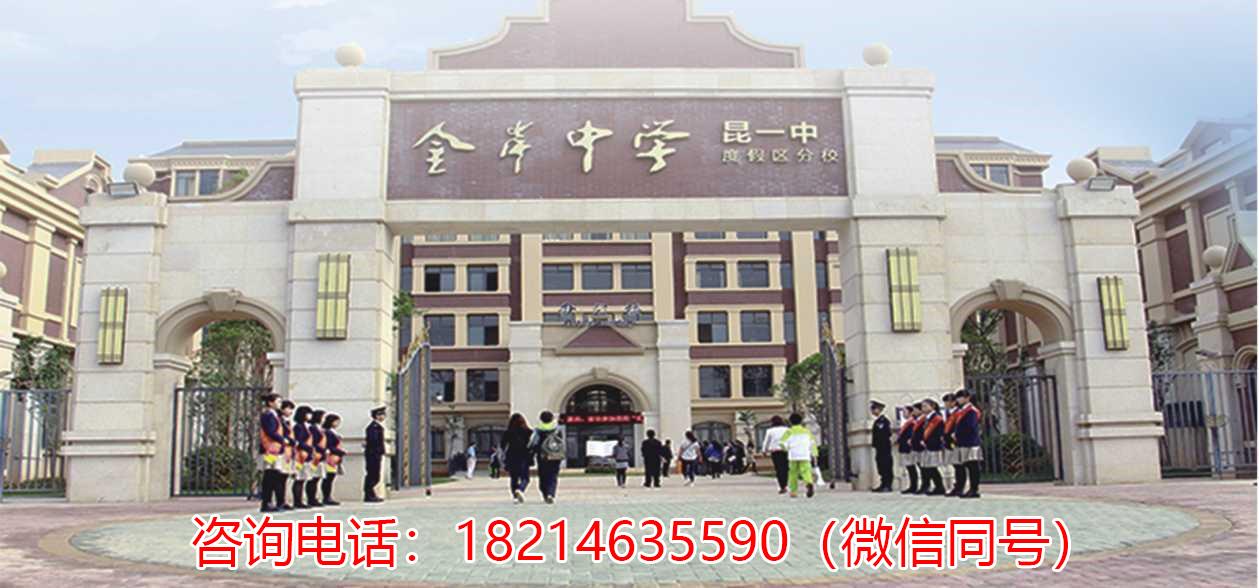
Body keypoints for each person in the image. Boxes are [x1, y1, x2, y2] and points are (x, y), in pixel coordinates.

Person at [256, 393, 286, 512]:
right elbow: (270, 431)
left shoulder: (275, 415)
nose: (280, 404)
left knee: (274, 476)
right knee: (269, 476)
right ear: (270, 403)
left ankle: (269, 501)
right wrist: (282, 439)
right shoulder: (268, 415)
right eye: (278, 402)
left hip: (275, 449)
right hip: (269, 448)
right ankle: (266, 502)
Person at [528, 410, 564, 504]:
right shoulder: (557, 429)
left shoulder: (538, 430)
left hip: (542, 456)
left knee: (543, 475)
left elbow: (533, 442)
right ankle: (551, 494)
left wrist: (531, 450)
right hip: (555, 455)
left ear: (541, 419)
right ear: (552, 418)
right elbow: (561, 442)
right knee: (553, 475)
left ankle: (545, 493)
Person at [953, 389, 983, 499]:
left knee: (972, 466)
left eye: (960, 397)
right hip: (963, 442)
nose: (958, 400)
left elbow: (970, 426)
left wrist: (958, 433)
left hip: (970, 442)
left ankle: (974, 489)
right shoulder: (962, 410)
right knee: (964, 466)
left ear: (967, 398)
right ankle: (962, 487)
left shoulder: (971, 411)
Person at [781, 413, 818, 498]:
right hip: (805, 454)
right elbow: (812, 443)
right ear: (801, 421)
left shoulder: (789, 432)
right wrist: (814, 454)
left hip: (793, 455)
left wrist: (786, 449)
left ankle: (793, 491)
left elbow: (782, 443)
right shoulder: (807, 432)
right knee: (806, 471)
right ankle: (809, 482)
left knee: (793, 473)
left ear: (790, 422)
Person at [500, 413, 533, 503]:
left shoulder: (508, 432)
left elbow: (502, 445)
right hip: (524, 456)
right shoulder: (528, 432)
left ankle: (515, 496)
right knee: (525, 478)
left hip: (511, 456)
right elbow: (532, 444)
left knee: (514, 478)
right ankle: (520, 489)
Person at [919, 399, 946, 496]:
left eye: (925, 406)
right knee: (927, 467)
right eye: (922, 406)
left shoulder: (937, 418)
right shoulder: (926, 418)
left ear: (932, 406)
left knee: (933, 468)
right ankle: (934, 486)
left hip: (933, 446)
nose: (923, 408)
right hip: (926, 446)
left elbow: (938, 434)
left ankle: (940, 487)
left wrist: (929, 442)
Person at [942, 392, 966, 497]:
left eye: (947, 402)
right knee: (956, 465)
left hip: (956, 441)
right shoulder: (948, 413)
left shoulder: (958, 412)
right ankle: (957, 486)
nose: (946, 404)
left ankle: (960, 487)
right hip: (949, 441)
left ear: (953, 402)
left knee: (959, 466)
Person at [761, 415, 790, 494]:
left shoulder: (770, 431)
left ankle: (782, 486)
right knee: (785, 468)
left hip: (775, 451)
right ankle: (785, 484)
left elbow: (766, 441)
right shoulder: (787, 430)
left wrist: (764, 451)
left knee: (778, 469)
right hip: (785, 451)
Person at [321, 413, 345, 506]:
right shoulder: (327, 432)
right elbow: (329, 445)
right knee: (328, 478)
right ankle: (326, 497)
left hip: (335, 457)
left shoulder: (334, 432)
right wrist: (339, 451)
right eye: (336, 421)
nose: (337, 423)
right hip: (330, 457)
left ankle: (328, 496)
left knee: (331, 477)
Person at [291, 405, 313, 508]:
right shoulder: (298, 427)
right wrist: (308, 448)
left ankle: (299, 500)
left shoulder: (306, 426)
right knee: (299, 478)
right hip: (300, 455)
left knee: (303, 478)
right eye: (308, 413)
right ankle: (297, 501)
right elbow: (298, 441)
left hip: (306, 454)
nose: (310, 416)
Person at [363, 405, 387, 503]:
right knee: (372, 475)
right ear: (377, 416)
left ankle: (371, 494)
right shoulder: (373, 427)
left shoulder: (378, 427)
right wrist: (378, 451)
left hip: (376, 454)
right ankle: (368, 495)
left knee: (375, 475)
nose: (383, 417)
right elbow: (373, 441)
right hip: (373, 454)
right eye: (381, 415)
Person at [870, 400, 894, 492]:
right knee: (880, 466)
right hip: (879, 448)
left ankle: (888, 485)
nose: (872, 411)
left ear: (879, 409)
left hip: (884, 447)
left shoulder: (884, 421)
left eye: (873, 409)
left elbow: (886, 434)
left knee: (886, 465)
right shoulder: (877, 421)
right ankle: (883, 483)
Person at [306, 409, 327, 507]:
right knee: (313, 478)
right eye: (323, 417)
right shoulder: (313, 428)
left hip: (321, 455)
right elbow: (313, 442)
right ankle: (311, 498)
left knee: (317, 477)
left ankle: (314, 497)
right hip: (316, 455)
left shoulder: (320, 428)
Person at [896, 404, 918, 495]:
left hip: (909, 448)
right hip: (904, 447)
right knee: (909, 468)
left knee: (912, 467)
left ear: (910, 412)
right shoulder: (906, 423)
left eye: (905, 412)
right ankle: (912, 485)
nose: (903, 414)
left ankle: (914, 486)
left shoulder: (912, 423)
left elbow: (910, 435)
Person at [278, 399, 297, 510]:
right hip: (282, 450)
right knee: (280, 478)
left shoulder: (288, 422)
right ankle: (280, 501)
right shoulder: (279, 421)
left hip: (289, 452)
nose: (290, 411)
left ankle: (283, 500)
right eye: (288, 408)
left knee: (285, 478)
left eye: (291, 409)